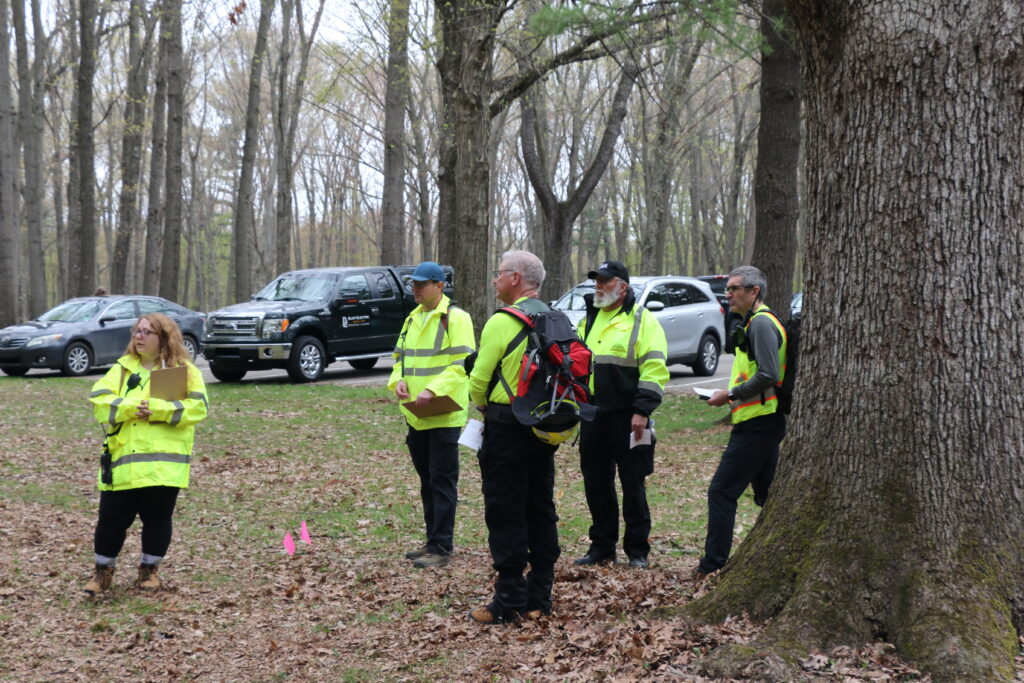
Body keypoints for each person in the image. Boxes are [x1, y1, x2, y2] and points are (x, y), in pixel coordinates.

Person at [84, 313, 209, 596]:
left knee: (157, 520)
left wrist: (160, 411)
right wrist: (131, 407)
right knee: (111, 520)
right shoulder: (123, 369)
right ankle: (103, 572)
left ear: (164, 337)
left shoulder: (185, 371)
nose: (139, 336)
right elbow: (100, 403)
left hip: (164, 465)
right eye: (136, 331)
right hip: (124, 462)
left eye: (147, 332)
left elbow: (198, 408)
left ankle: (149, 571)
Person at [467, 250, 560, 624]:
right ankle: (540, 597)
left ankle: (507, 600)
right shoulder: (557, 317)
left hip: (506, 426)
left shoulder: (501, 322)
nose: (495, 280)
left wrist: (483, 408)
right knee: (540, 506)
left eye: (499, 273)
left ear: (517, 278)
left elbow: (478, 380)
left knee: (505, 507)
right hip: (545, 429)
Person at [574, 261, 669, 569]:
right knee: (596, 483)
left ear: (623, 287)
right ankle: (602, 547)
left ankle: (637, 551)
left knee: (633, 483)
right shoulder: (589, 317)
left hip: (629, 416)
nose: (598, 287)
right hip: (592, 414)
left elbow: (654, 368)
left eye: (604, 281)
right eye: (596, 281)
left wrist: (642, 410)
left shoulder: (643, 320)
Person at [695, 265, 787, 580]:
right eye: (729, 288)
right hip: (758, 420)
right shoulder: (755, 321)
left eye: (735, 289)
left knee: (721, 491)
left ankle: (713, 565)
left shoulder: (761, 323)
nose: (728, 294)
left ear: (754, 291)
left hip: (759, 423)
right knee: (767, 494)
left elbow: (768, 374)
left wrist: (730, 395)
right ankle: (780, 553)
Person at [388, 261, 475, 569]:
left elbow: (462, 364)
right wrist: (398, 380)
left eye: (422, 285)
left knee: (442, 482)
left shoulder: (456, 318)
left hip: (443, 416)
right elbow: (400, 358)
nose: (416, 289)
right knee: (427, 481)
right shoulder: (412, 318)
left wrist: (433, 390)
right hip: (416, 415)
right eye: (413, 284)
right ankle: (431, 541)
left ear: (439, 286)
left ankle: (442, 546)